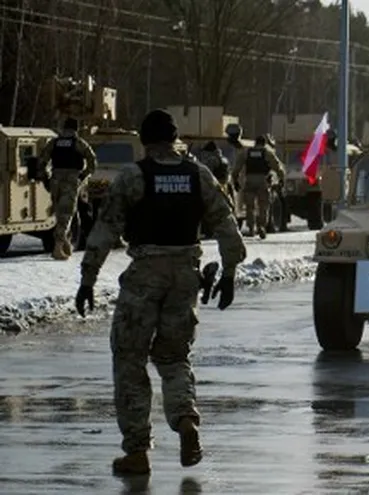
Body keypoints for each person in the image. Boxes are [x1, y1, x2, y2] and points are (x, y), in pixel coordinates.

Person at [75, 109, 247, 477]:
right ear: (175, 139)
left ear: (145, 140)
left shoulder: (134, 177)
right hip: (186, 275)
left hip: (145, 275)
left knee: (129, 358)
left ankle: (137, 451)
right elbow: (227, 224)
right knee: (173, 357)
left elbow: (105, 229)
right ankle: (186, 421)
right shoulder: (198, 175)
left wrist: (87, 278)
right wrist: (230, 271)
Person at [37, 117, 98, 260]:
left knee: (61, 213)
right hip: (71, 181)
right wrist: (83, 176)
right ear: (75, 129)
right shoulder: (78, 143)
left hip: (55, 180)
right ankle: (58, 247)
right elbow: (92, 162)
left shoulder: (54, 143)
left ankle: (66, 244)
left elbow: (41, 161)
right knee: (67, 214)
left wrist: (45, 178)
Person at [231, 135, 285, 239]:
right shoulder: (267, 152)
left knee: (250, 206)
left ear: (255, 143)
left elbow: (236, 167)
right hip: (263, 181)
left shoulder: (246, 152)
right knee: (263, 206)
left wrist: (235, 180)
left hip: (249, 180)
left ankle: (251, 228)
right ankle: (261, 227)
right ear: (264, 143)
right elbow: (278, 167)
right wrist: (281, 179)